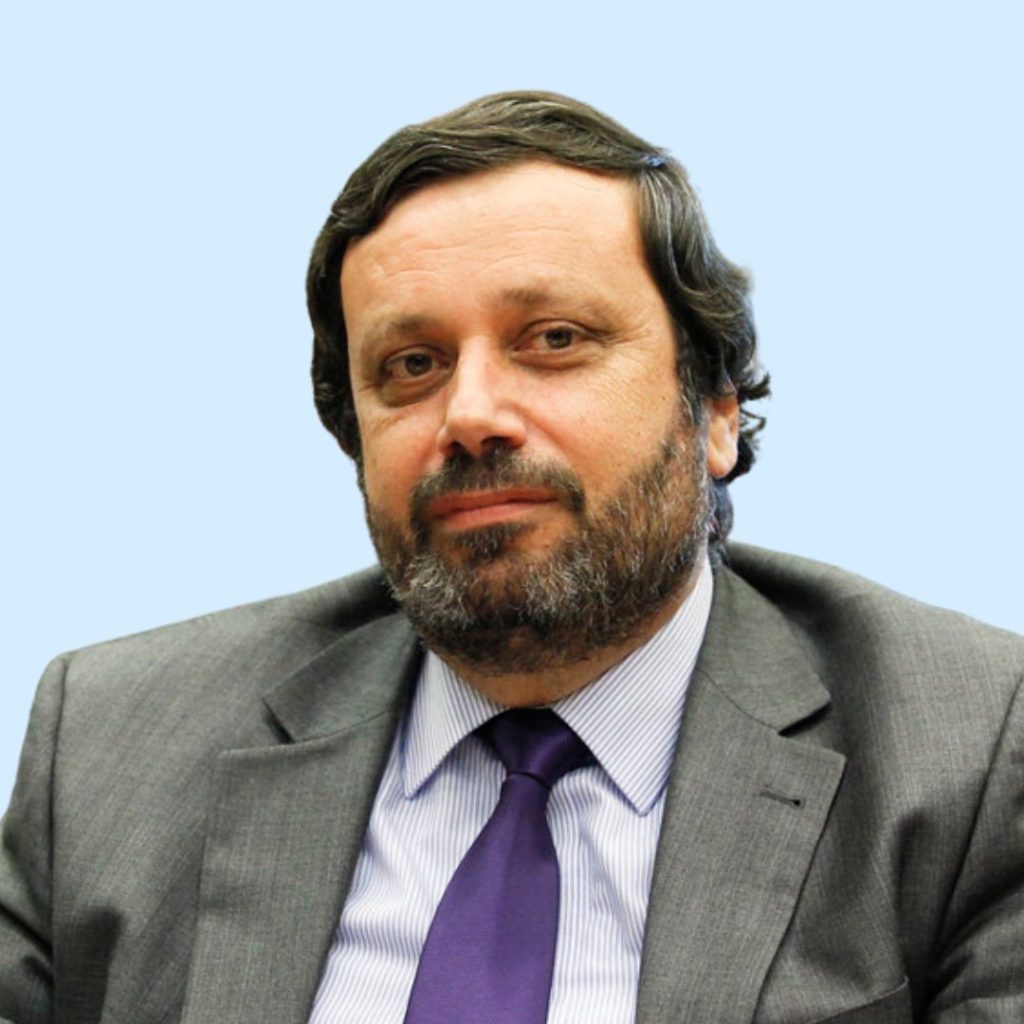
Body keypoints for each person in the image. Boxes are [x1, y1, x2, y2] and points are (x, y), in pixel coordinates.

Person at [1, 91, 1021, 1024]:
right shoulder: (108, 747)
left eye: (555, 339)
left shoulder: (969, 753)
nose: (472, 414)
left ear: (713, 410)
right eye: (412, 365)